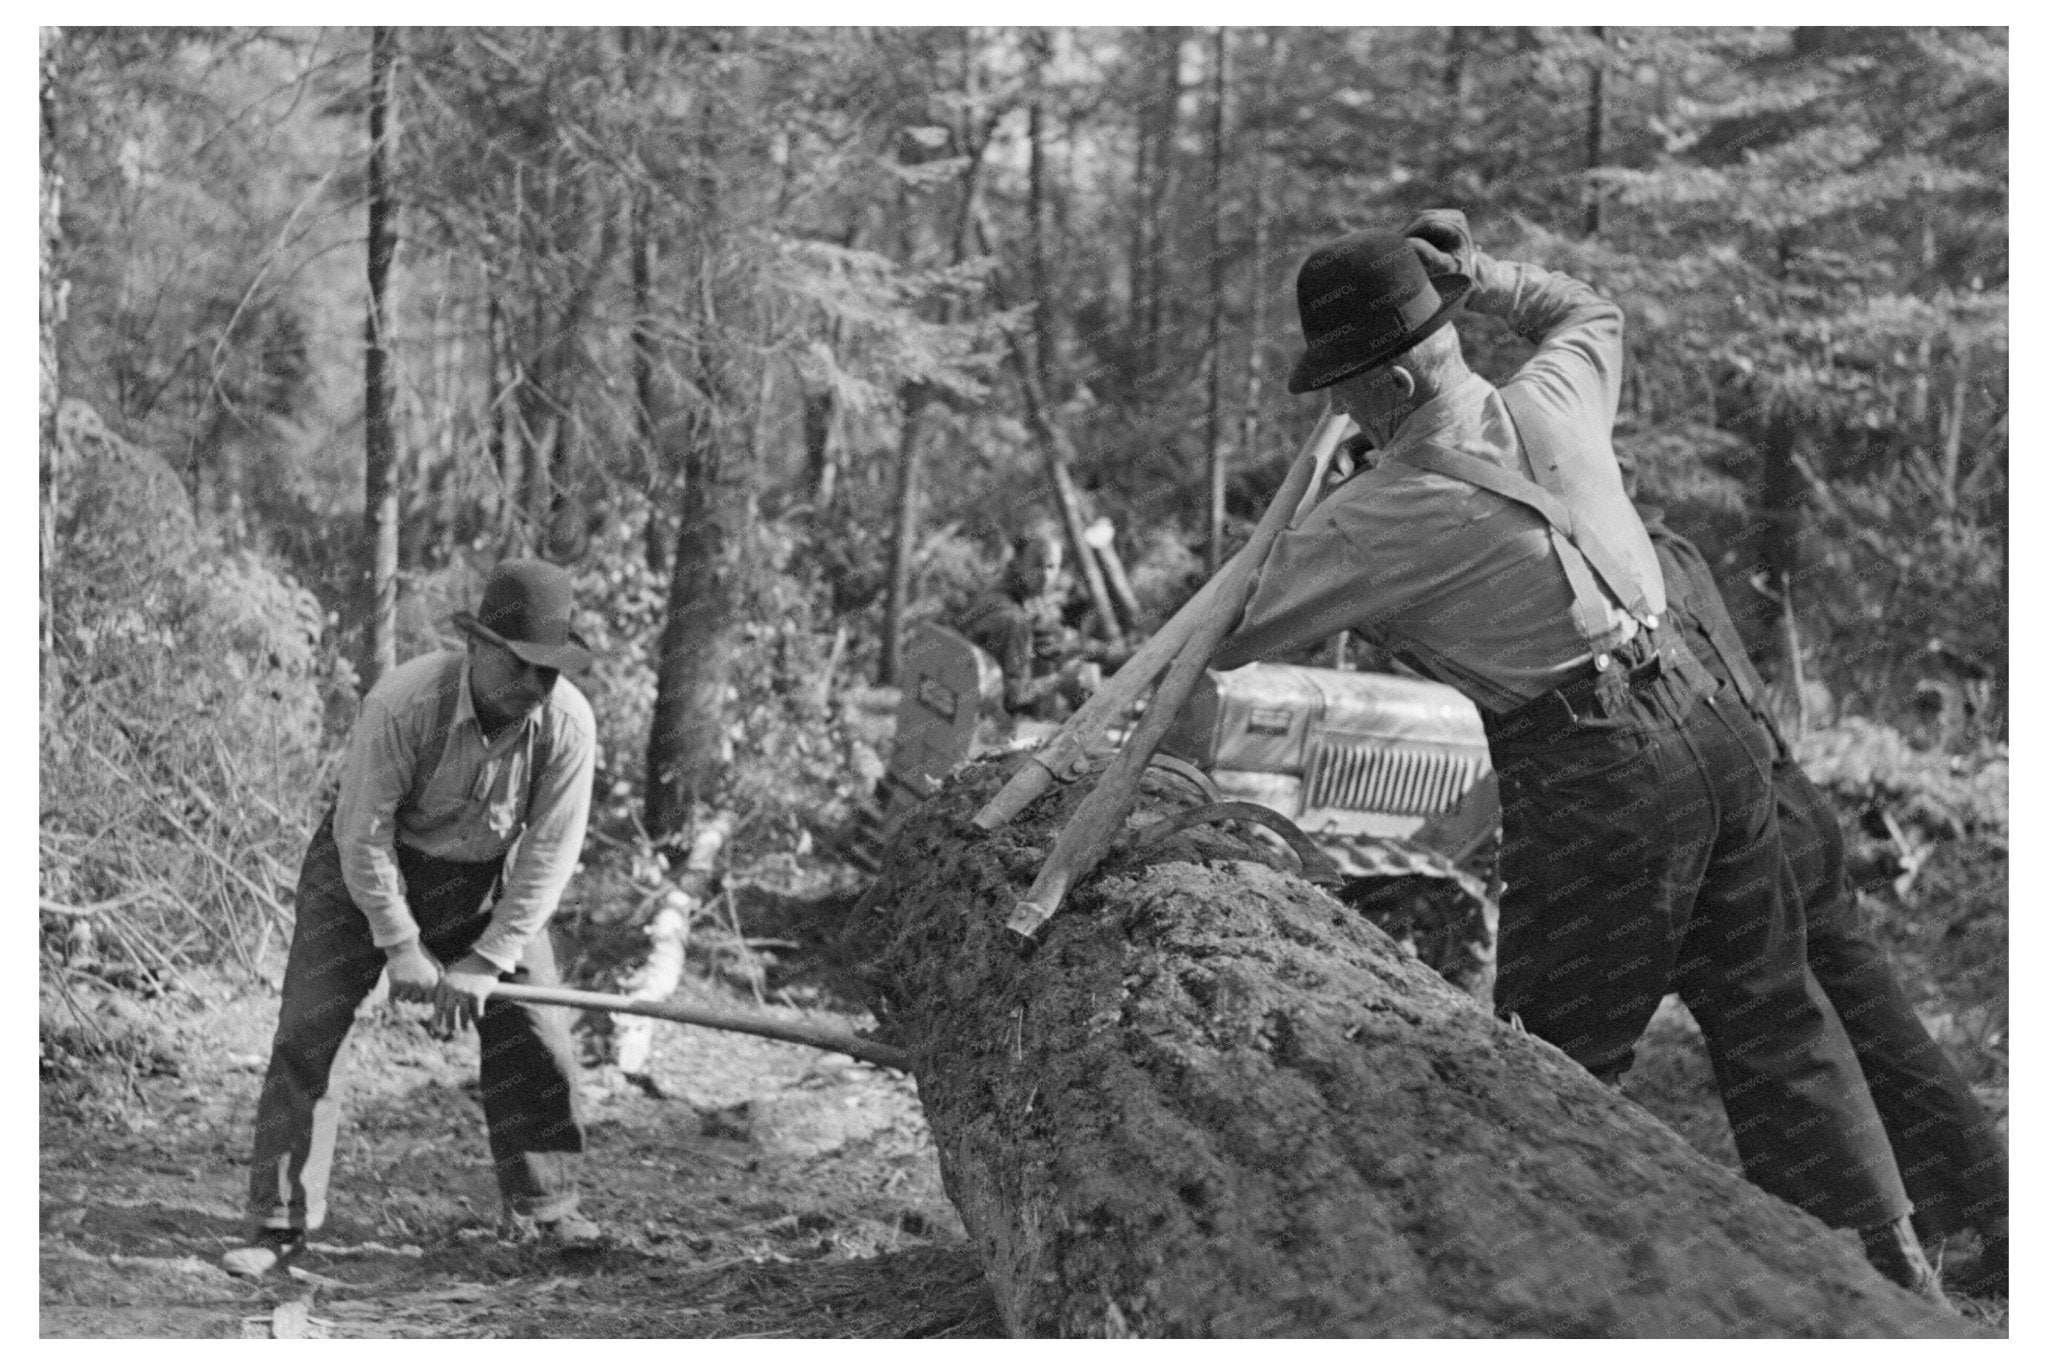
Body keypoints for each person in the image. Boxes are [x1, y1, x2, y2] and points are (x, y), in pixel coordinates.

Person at [1212, 213, 1947, 1301]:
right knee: (1768, 1006)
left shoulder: (1371, 523)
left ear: (1395, 391)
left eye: (1344, 386)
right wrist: (1486, 274)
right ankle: (1889, 1283)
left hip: (1602, 783)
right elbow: (1584, 308)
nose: (1334, 407)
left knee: (1549, 1057)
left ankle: (1557, 1298)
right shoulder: (1555, 395)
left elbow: (1225, 632)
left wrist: (1319, 524)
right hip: (1713, 729)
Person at [1629, 484, 2010, 1295]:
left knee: (1775, 1027)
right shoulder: (1678, 552)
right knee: (1878, 1019)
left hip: (1753, 816)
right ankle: (1991, 1211)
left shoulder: (1632, 567)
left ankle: (1857, 1237)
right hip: (1791, 797)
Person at [223, 559, 602, 1278]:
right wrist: (400, 943)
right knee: (309, 1031)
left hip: (483, 881)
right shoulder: (404, 703)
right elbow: (362, 832)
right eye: (521, 666)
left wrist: (488, 960)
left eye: (549, 673)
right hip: (359, 873)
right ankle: (278, 1222)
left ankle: (547, 1208)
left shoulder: (567, 724)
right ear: (481, 647)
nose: (534, 687)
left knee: (539, 1032)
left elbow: (550, 851)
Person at [959, 530, 1101, 720]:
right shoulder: (1012, 618)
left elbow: (1054, 640)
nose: (1044, 575)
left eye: (1051, 567)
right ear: (1017, 563)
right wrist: (1061, 681)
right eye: (1037, 565)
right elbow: (1011, 696)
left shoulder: (1018, 597)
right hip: (982, 723)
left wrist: (1110, 653)